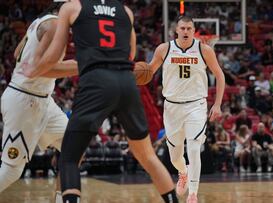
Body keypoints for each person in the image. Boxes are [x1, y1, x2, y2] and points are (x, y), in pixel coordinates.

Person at [22, 1, 178, 203]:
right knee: (148, 156)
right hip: (126, 83)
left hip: (96, 82)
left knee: (69, 159)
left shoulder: (71, 8)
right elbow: (130, 55)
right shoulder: (126, 12)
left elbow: (53, 55)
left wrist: (33, 70)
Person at [0, 1, 77, 202]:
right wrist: (83, 66)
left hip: (42, 100)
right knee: (11, 170)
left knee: (75, 146)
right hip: (25, 100)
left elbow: (18, 53)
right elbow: (41, 69)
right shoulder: (53, 26)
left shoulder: (40, 22)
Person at [149, 16, 225, 203]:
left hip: (196, 105)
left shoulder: (204, 50)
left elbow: (220, 76)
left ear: (193, 31)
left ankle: (193, 193)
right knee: (175, 156)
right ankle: (182, 172)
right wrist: (135, 73)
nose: (185, 31)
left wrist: (217, 104)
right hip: (172, 107)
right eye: (182, 28)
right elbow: (149, 72)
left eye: (189, 28)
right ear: (176, 30)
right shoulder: (164, 49)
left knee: (193, 147)